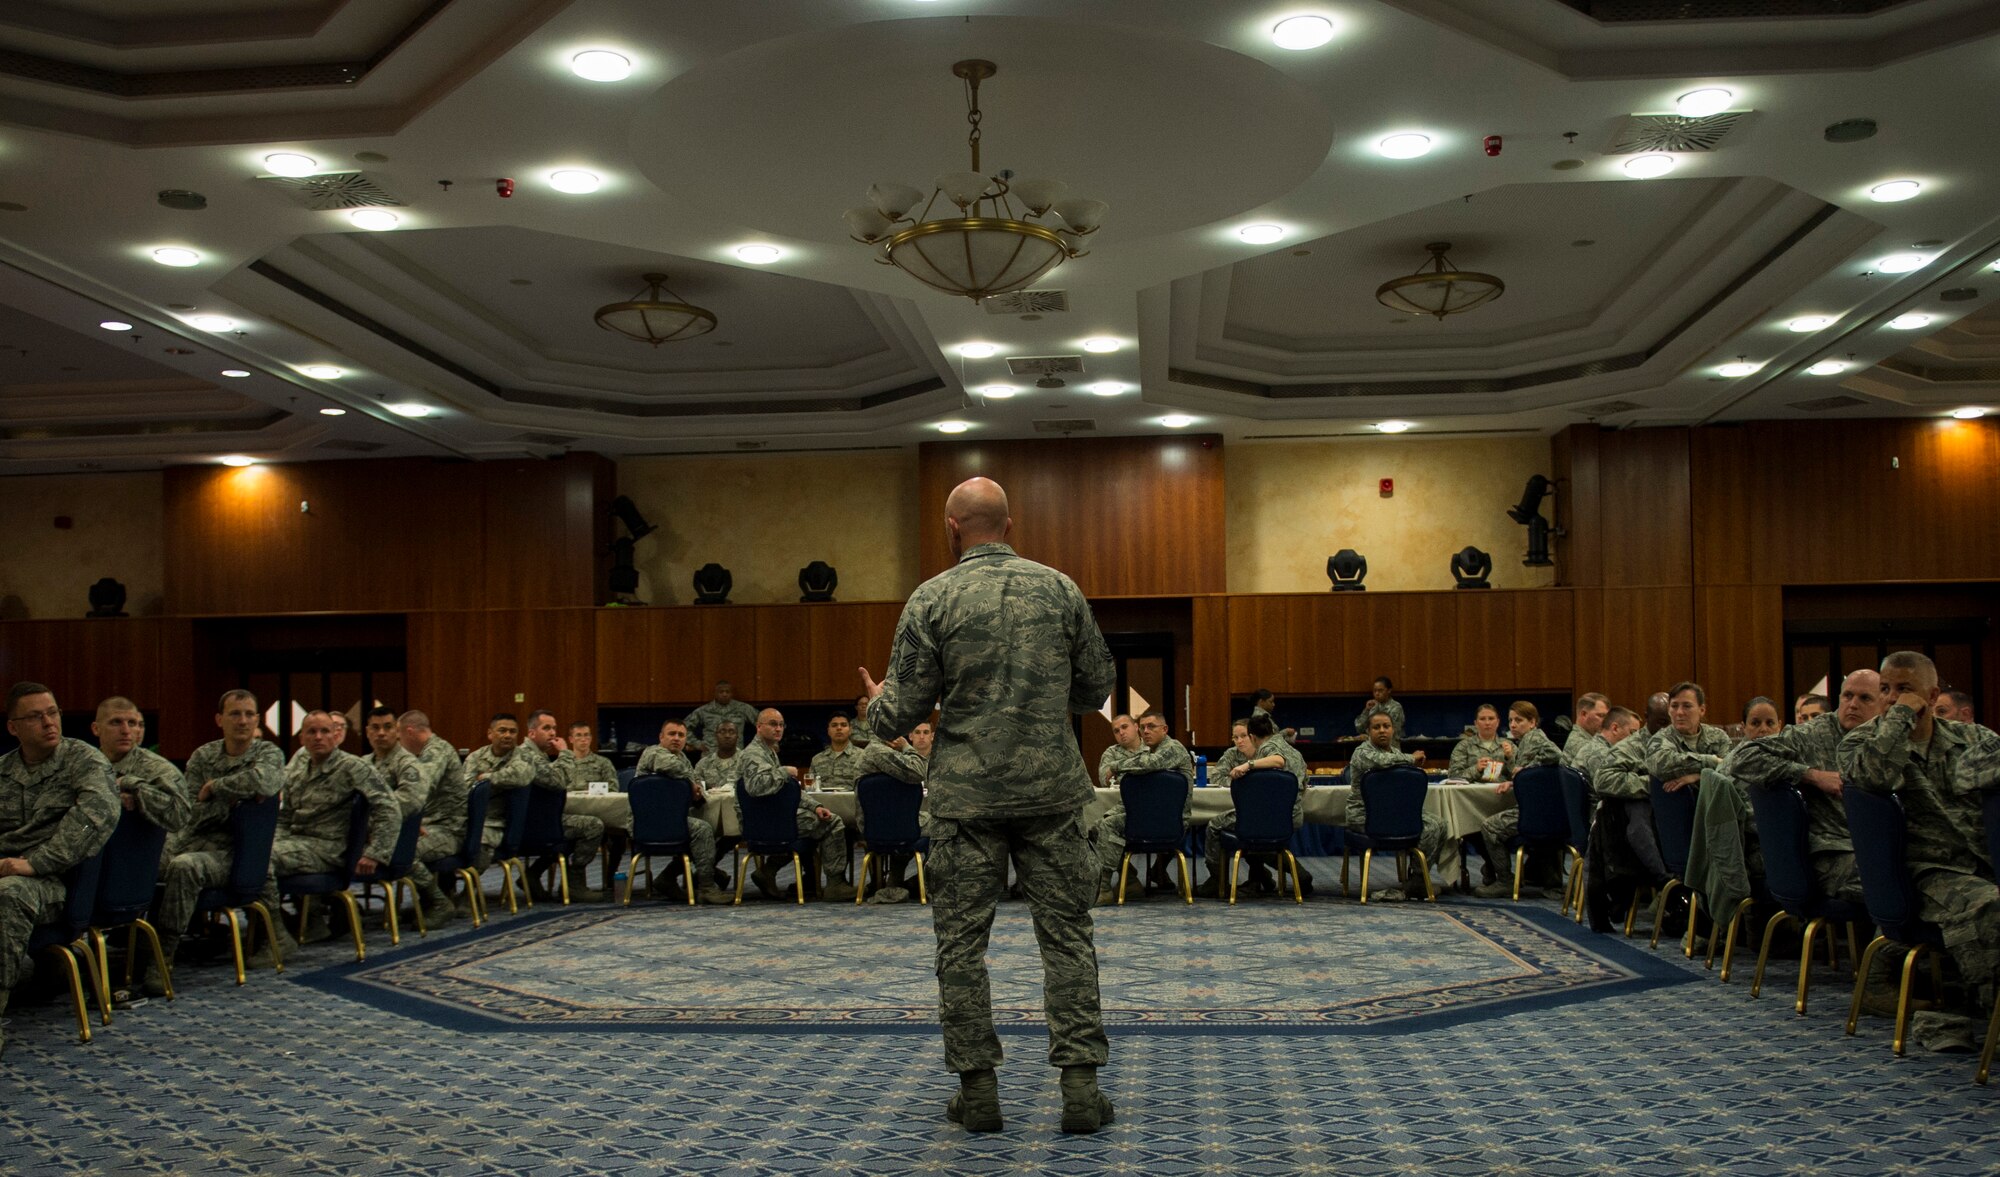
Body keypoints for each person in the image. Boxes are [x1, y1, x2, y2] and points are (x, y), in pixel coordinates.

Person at [859, 475, 1117, 1135]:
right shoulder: (1059, 588)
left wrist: (877, 701)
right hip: (1052, 793)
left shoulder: (931, 598)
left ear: (951, 527)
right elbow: (1097, 686)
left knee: (961, 946)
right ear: (1010, 524)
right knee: (1067, 936)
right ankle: (1081, 1087)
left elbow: (900, 711)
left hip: (964, 799)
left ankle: (978, 1091)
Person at [1841, 651, 2000, 1053]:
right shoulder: (1862, 742)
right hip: (1922, 872)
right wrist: (1898, 718)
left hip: (1981, 861)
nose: (1893, 698)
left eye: (1905, 690)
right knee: (1990, 907)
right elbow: (1872, 777)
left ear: (1932, 696)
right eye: (1886, 690)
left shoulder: (1972, 739)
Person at [0, 683, 119, 1060]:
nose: (49, 722)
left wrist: (37, 863)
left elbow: (94, 819)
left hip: (55, 882)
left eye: (53, 712)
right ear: (13, 727)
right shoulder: (3, 770)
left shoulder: (82, 761)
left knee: (11, 894)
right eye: (35, 716)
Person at [152, 690, 285, 992]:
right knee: (142, 861)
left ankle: (160, 958)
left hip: (233, 853)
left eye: (250, 714)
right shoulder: (203, 755)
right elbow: (188, 809)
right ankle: (127, 947)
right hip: (192, 838)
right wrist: (230, 798)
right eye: (236, 714)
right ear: (219, 719)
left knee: (184, 867)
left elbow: (265, 781)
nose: (244, 720)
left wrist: (214, 786)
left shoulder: (268, 754)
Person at [1729, 670, 1886, 904]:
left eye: (1865, 698)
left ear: (1884, 704)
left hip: (1876, 844)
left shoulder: (1888, 738)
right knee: (1889, 883)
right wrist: (1811, 775)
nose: (1853, 704)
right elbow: (1743, 759)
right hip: (1830, 852)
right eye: (1847, 696)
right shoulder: (1814, 733)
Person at [256, 710, 398, 953]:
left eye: (325, 731)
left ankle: (277, 938)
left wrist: (376, 852)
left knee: (259, 860)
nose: (318, 737)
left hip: (330, 848)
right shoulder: (298, 771)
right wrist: (271, 841)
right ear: (301, 739)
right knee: (251, 854)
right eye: (311, 732)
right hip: (297, 843)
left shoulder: (351, 766)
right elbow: (285, 817)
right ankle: (280, 926)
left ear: (336, 735)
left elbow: (389, 807)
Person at [737, 709, 853, 901]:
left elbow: (788, 792)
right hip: (766, 821)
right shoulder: (754, 754)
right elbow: (755, 787)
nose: (778, 729)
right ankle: (835, 884)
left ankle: (769, 870)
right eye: (773, 724)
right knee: (833, 823)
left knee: (819, 821)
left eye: (781, 725)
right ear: (759, 727)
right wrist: (784, 771)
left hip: (771, 817)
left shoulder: (768, 751)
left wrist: (815, 806)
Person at [1089, 709, 1195, 905]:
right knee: (1099, 825)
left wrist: (1116, 767)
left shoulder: (1173, 748)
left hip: (1169, 820)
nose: (1146, 731)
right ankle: (1129, 881)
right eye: (1144, 727)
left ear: (1164, 729)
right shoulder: (1150, 750)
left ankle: (1105, 887)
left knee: (1107, 826)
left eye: (1151, 727)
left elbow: (1148, 763)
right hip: (1148, 816)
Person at [1202, 713, 1310, 899]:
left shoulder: (1268, 749)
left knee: (1217, 826)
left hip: (1265, 816)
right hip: (1289, 816)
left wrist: (1247, 765)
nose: (1240, 741)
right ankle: (1264, 877)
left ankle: (1217, 881)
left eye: (1244, 736)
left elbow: (1278, 760)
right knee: (1251, 832)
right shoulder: (1292, 750)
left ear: (1252, 736)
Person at [1346, 710, 1450, 899]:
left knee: (1438, 825)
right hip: (1365, 816)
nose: (1382, 731)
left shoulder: (1396, 753)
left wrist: (1410, 761)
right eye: (1376, 727)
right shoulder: (1362, 752)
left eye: (1386, 726)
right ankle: (1418, 883)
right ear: (1368, 731)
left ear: (1393, 730)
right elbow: (1381, 762)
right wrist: (1411, 759)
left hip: (1395, 813)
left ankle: (1418, 878)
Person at [627, 719, 731, 905]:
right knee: (702, 830)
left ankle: (667, 878)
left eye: (681, 735)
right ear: (661, 737)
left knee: (707, 830)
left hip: (674, 821)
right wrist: (691, 783)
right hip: (648, 823)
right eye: (671, 734)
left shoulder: (682, 758)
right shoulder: (653, 752)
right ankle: (707, 886)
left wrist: (697, 793)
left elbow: (691, 789)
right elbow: (670, 766)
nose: (676, 738)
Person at [1472, 701, 1565, 898]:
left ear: (1532, 722)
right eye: (1511, 720)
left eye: (1519, 720)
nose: (1513, 725)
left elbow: (1558, 757)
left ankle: (1504, 880)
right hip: (1549, 811)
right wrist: (1517, 780)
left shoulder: (1533, 739)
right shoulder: (1528, 740)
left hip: (1535, 812)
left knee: (1489, 827)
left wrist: (1527, 770)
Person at [519, 711, 606, 901]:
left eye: (554, 728)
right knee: (593, 826)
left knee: (576, 829)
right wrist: (565, 753)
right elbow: (558, 782)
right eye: (546, 728)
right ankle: (574, 885)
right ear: (532, 733)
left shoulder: (537, 755)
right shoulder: (527, 755)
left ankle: (532, 874)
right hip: (533, 825)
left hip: (536, 820)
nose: (552, 733)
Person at [398, 709, 468, 922]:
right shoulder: (429, 751)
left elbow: (420, 788)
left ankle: (438, 902)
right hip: (434, 824)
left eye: (399, 737)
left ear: (409, 732)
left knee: (405, 850)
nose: (399, 744)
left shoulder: (437, 751)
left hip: (450, 830)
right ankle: (429, 901)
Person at [93, 696, 189, 835]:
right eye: (116, 722)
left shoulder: (156, 767)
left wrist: (133, 786)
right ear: (96, 729)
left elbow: (180, 817)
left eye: (131, 723)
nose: (126, 731)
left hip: (138, 848)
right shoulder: (85, 764)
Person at [1648, 682, 1732, 793]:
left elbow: (1732, 771)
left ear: (1701, 710)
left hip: (1717, 802)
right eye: (1674, 706)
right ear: (1668, 710)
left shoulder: (1718, 737)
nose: (1679, 712)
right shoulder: (1660, 738)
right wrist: (1712, 761)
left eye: (1687, 706)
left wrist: (1698, 776)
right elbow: (1661, 766)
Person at [684, 681, 759, 757]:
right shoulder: (704, 710)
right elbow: (684, 727)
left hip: (736, 756)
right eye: (721, 692)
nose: (724, 694)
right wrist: (697, 744)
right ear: (715, 694)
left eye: (727, 692)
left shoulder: (743, 709)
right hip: (711, 755)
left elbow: (762, 724)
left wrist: (754, 745)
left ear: (732, 694)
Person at [1447, 704, 1513, 783]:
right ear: (1476, 723)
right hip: (1472, 793)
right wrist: (1476, 769)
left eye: (1491, 718)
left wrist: (1509, 759)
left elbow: (1518, 776)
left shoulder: (1509, 745)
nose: (1487, 723)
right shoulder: (1464, 746)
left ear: (1498, 722)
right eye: (1482, 719)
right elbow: (1453, 777)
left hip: (1501, 793)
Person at [809, 714, 866, 791]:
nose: (839, 728)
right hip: (824, 801)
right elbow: (811, 788)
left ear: (850, 730)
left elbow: (867, 787)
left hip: (852, 802)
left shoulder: (863, 756)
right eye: (834, 725)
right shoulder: (817, 759)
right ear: (828, 731)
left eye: (843, 725)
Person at [1563, 693, 1612, 782]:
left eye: (1607, 717)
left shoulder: (1590, 739)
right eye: (1601, 716)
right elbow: (1608, 781)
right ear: (1584, 714)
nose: (1606, 721)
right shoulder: (1579, 743)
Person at [562, 723, 619, 792]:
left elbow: (613, 790)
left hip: (595, 802)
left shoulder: (603, 763)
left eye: (586, 735)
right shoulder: (563, 763)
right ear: (571, 739)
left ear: (591, 738)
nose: (583, 739)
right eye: (578, 735)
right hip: (569, 802)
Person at [692, 721, 745, 794]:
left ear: (737, 736)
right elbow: (698, 790)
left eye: (731, 732)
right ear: (716, 736)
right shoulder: (703, 764)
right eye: (722, 732)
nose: (727, 735)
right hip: (712, 804)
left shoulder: (747, 761)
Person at [1096, 714, 1143, 787]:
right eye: (1116, 731)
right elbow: (1105, 781)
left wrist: (1117, 770)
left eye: (1124, 727)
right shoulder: (1111, 752)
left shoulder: (1151, 747)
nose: (1121, 733)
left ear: (1136, 727)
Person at [1355, 677, 1404, 742]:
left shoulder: (1395, 707)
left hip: (1390, 747)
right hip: (1371, 747)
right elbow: (1359, 728)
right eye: (1375, 691)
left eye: (1380, 691)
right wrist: (1367, 710)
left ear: (1389, 690)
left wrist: (1367, 737)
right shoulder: (1372, 706)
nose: (1377, 693)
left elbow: (1393, 733)